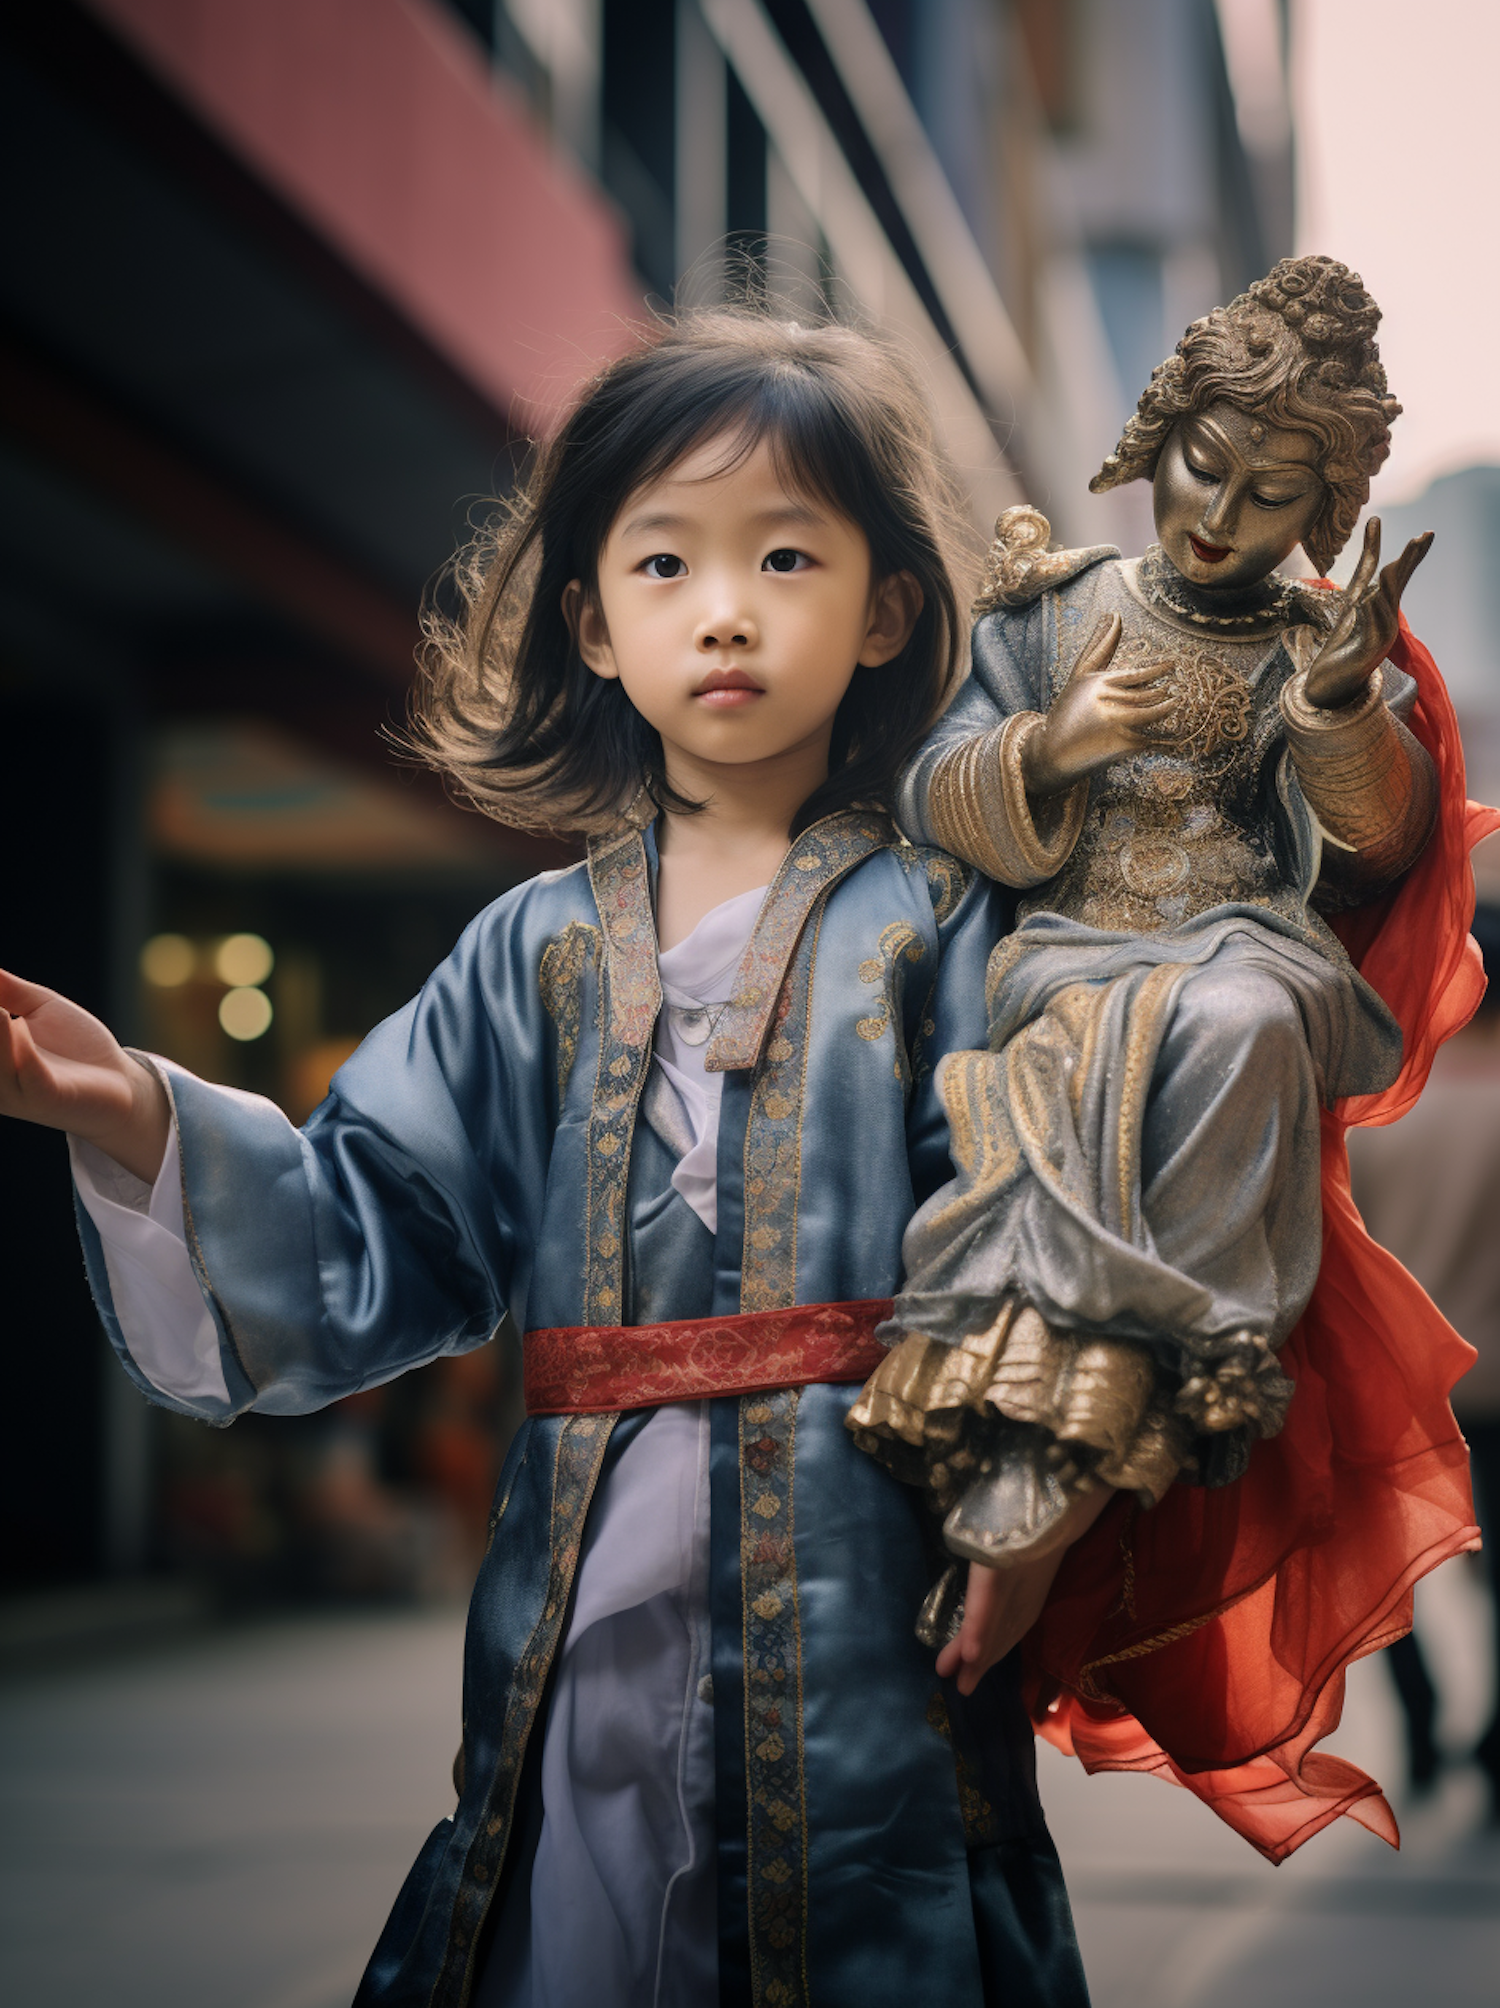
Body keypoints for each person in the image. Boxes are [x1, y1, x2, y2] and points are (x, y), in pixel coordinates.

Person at [0, 314, 1097, 2007]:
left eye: (786, 554)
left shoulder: (949, 921)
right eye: (665, 560)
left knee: (874, 1904)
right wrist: (130, 1111)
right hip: (579, 1587)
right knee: (569, 1905)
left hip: (869, 1570)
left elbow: (1038, 1220)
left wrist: (1032, 1494)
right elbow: (374, 1221)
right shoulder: (528, 951)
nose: (723, 607)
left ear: (887, 609)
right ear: (593, 616)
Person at [847, 257, 1494, 1860]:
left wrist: (1345, 709)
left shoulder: (1306, 644)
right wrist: (1049, 749)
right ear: (1159, 437)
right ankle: (1029, 1400)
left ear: (1323, 511)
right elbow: (930, 787)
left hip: (1237, 942)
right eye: (1204, 465)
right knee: (1031, 1066)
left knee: (1239, 1024)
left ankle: (1152, 1370)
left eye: (1272, 495)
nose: (1218, 515)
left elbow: (1379, 848)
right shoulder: (1054, 607)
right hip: (1068, 950)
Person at [1348, 902, 1500, 1815]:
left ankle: (1418, 1715)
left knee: (1381, 1564)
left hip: (1396, 1379)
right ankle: (1495, 1740)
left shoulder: (1377, 1118)